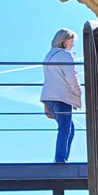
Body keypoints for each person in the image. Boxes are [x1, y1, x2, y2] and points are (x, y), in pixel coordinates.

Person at [40, 28, 83, 163]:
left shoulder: (48, 56)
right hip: (61, 97)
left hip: (49, 97)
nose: (73, 44)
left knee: (69, 128)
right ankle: (60, 159)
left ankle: (61, 158)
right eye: (71, 41)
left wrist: (45, 103)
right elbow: (71, 77)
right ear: (64, 41)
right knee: (65, 129)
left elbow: (48, 79)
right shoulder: (65, 55)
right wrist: (78, 93)